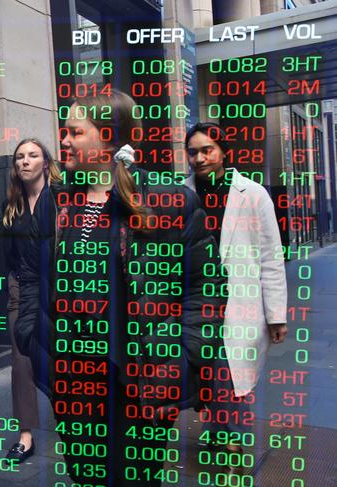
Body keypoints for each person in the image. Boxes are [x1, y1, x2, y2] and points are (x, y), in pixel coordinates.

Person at [15, 89, 227, 486]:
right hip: (73, 379)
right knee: (86, 477)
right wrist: (31, 333)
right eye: (65, 131)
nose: (63, 140)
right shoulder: (55, 202)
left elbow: (205, 289)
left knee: (138, 480)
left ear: (108, 137)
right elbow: (30, 274)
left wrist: (186, 353)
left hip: (141, 377)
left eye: (75, 132)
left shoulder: (167, 201)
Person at [184, 122, 288, 471]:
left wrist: (276, 314)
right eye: (194, 151)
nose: (200, 158)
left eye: (207, 149)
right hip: (198, 299)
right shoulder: (182, 194)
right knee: (206, 368)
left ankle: (233, 436)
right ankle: (218, 428)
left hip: (240, 301)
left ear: (223, 150)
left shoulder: (253, 193)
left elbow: (271, 256)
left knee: (230, 372)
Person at [1, 138, 62, 462]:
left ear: (45, 162)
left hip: (60, 288)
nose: (25, 161)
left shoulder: (63, 198)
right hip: (21, 289)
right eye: (19, 157)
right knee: (21, 361)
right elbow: (9, 256)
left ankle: (72, 422)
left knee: (60, 359)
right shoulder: (11, 206)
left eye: (32, 155)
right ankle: (26, 435)